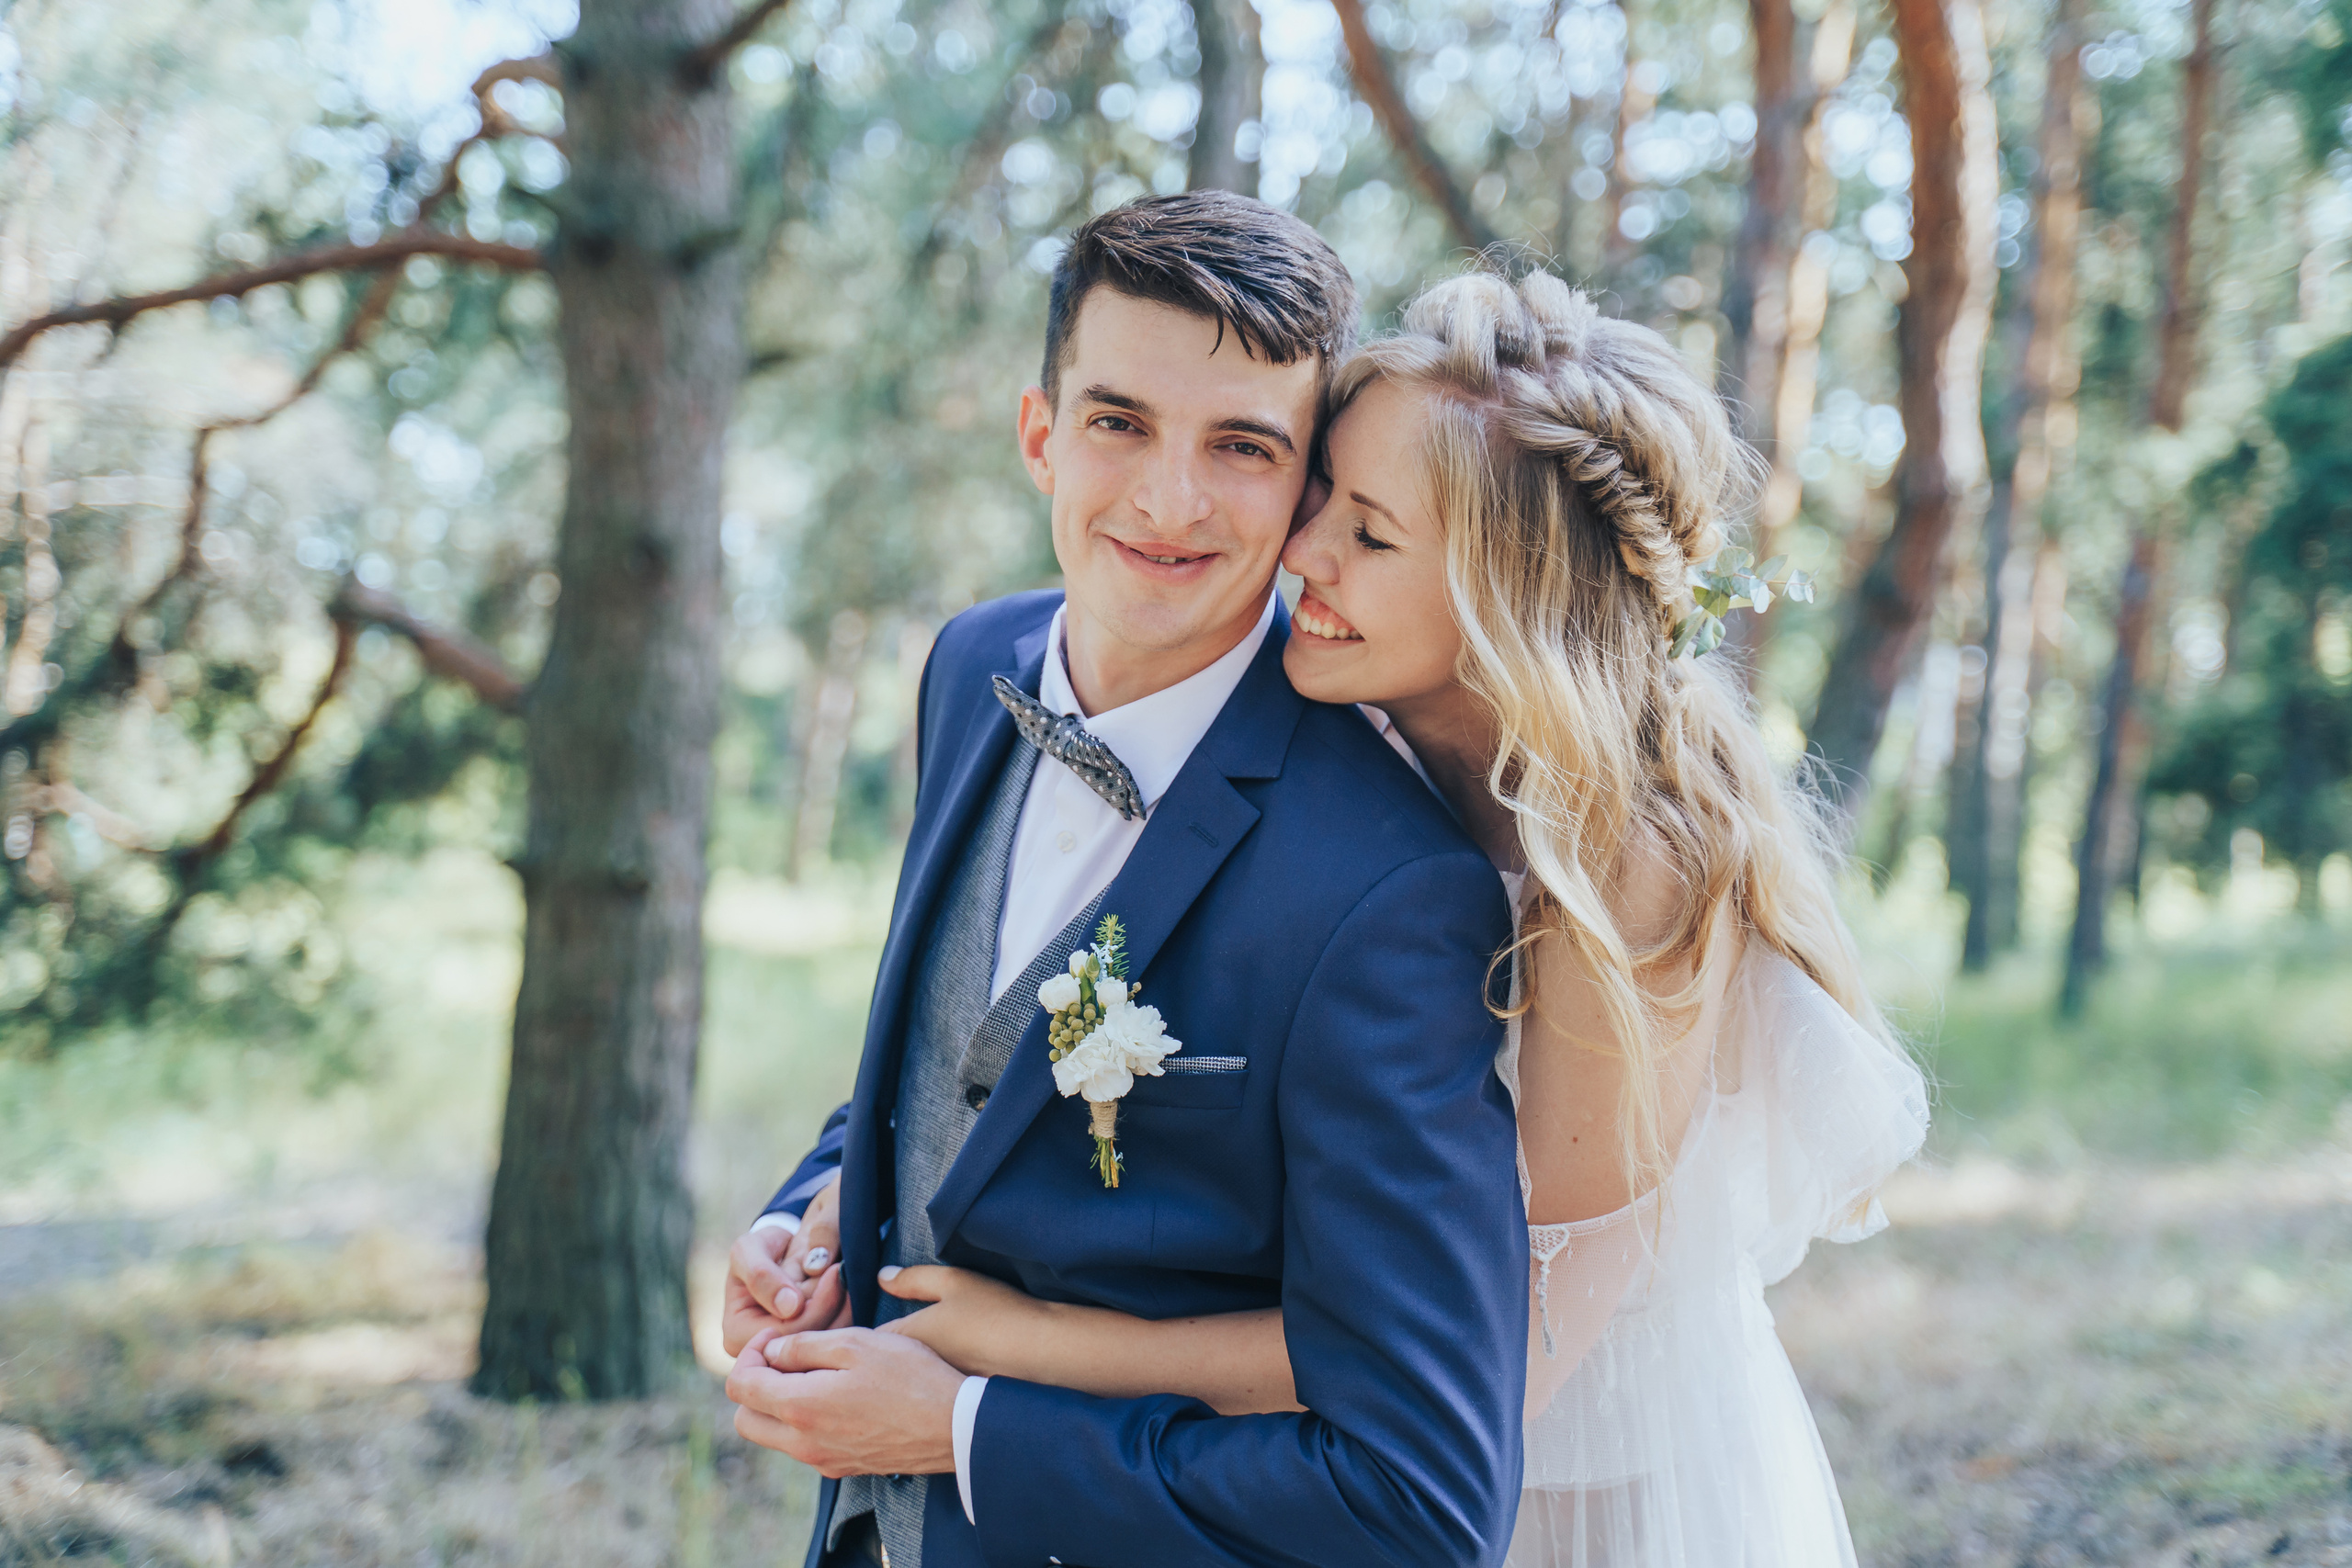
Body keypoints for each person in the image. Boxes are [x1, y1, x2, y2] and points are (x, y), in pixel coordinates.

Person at [852, 265, 1930, 1567]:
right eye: (1321, 498)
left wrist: (1025, 1351)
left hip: (1558, 1486)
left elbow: (1488, 1360)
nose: (1302, 553)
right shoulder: (1341, 718)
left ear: (1507, 592)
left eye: (1367, 534)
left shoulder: (1621, 879)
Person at [719, 193, 1530, 1568]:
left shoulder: (1390, 893)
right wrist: (813, 1209)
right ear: (1041, 434)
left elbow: (1422, 1502)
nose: (1170, 500)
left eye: (1242, 446)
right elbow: (947, 1054)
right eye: (1118, 422)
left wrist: (966, 1429)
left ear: (1305, 488)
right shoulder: (968, 668)